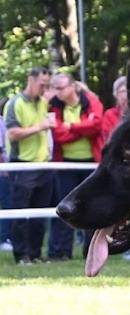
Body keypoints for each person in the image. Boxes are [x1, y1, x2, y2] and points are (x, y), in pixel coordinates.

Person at [48, 72, 104, 260]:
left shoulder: (91, 101)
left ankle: (91, 251)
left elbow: (96, 125)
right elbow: (58, 135)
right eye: (55, 88)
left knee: (92, 207)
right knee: (63, 208)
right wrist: (83, 128)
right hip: (64, 164)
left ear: (72, 86)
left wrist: (70, 127)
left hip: (91, 164)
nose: (58, 92)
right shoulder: (53, 106)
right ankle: (60, 252)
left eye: (61, 88)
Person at [4, 66, 55, 264]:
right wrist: (40, 127)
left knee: (39, 215)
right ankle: (21, 255)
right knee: (21, 213)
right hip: (22, 164)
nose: (45, 89)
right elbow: (12, 134)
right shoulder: (15, 103)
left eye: (47, 85)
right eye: (42, 85)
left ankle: (35, 253)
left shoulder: (43, 102)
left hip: (43, 164)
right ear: (30, 80)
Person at [0, 99, 12, 251]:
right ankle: (4, 238)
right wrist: (5, 169)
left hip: (7, 171)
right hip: (4, 173)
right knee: (7, 204)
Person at [102, 75, 128, 143]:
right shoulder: (110, 114)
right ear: (116, 95)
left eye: (128, 91)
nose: (126, 95)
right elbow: (108, 138)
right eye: (122, 91)